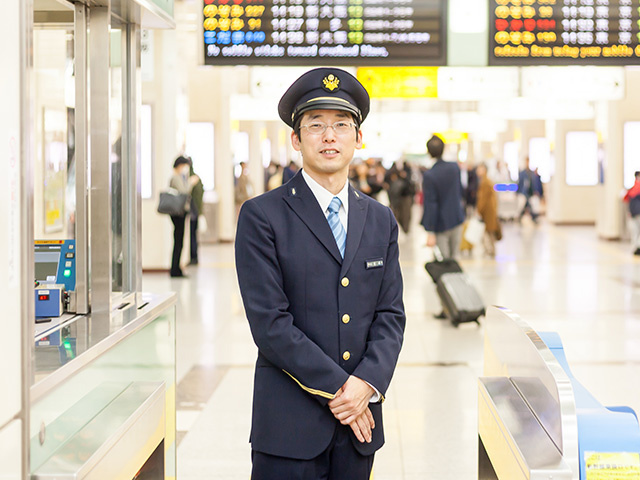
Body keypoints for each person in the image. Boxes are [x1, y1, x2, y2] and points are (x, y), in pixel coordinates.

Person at [235, 67, 406, 480]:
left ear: (357, 137)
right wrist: (344, 390)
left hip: (358, 428)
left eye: (341, 125)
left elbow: (390, 316)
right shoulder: (263, 217)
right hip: (289, 431)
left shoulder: (380, 220)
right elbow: (271, 325)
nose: (329, 136)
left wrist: (367, 382)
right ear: (296, 139)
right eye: (315, 125)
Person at [421, 135, 465, 259]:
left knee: (444, 260)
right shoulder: (454, 168)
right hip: (457, 218)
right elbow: (460, 191)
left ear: (428, 152)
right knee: (455, 257)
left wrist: (430, 231)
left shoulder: (430, 175)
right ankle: (457, 278)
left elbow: (431, 203)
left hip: (441, 224)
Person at [169, 156, 198, 277]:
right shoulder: (175, 177)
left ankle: (177, 267)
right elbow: (184, 192)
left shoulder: (179, 177)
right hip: (178, 214)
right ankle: (175, 269)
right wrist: (190, 183)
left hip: (181, 213)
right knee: (178, 241)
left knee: (180, 241)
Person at [475, 163, 502, 257]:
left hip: (488, 212)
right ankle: (489, 250)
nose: (477, 171)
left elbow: (482, 199)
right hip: (489, 212)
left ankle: (491, 250)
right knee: (488, 232)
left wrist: (478, 210)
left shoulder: (485, 182)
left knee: (489, 232)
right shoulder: (486, 181)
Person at [517, 157, 543, 223]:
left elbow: (535, 184)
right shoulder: (522, 173)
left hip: (531, 193)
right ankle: (519, 216)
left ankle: (534, 217)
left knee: (534, 204)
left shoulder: (532, 173)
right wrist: (518, 193)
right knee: (521, 203)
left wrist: (536, 192)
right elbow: (520, 184)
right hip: (523, 193)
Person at [188, 159, 204, 265]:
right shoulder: (195, 177)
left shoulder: (192, 179)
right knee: (194, 234)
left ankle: (194, 257)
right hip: (196, 211)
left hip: (193, 211)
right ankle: (194, 256)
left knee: (192, 234)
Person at [624, 171, 640, 255]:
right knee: (635, 231)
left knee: (636, 231)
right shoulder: (634, 187)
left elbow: (625, 198)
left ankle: (637, 247)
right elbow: (626, 198)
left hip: (634, 212)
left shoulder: (633, 188)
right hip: (634, 213)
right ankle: (637, 247)